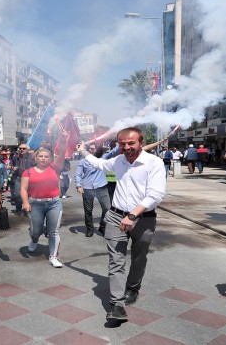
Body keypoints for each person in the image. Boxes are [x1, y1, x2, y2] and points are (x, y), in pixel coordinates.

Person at [77, 127, 166, 321]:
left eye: (131, 143)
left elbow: (156, 194)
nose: (126, 147)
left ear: (141, 143)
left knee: (138, 258)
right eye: (122, 144)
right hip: (116, 217)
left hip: (144, 219)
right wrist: (82, 151)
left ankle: (133, 287)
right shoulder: (118, 160)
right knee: (116, 261)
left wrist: (133, 216)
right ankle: (116, 305)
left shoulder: (154, 163)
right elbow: (99, 164)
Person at [21, 133, 68, 268]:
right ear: (35, 158)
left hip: (54, 203)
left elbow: (63, 152)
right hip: (35, 204)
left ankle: (53, 256)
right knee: (36, 230)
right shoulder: (28, 172)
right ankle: (34, 240)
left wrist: (63, 139)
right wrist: (25, 203)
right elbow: (23, 189)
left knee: (54, 231)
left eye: (46, 157)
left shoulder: (54, 167)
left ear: (50, 159)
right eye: (40, 156)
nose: (43, 158)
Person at [75, 143, 121, 237]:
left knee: (107, 208)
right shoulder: (82, 162)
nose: (92, 150)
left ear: (97, 150)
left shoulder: (102, 158)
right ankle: (89, 229)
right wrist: (79, 186)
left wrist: (119, 142)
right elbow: (78, 175)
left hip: (101, 187)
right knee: (88, 211)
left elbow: (114, 151)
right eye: (90, 149)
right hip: (88, 188)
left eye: (94, 149)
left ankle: (102, 226)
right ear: (87, 150)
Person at [11, 144, 33, 214]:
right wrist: (12, 168)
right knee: (17, 194)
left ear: (27, 150)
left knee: (29, 195)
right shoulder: (15, 157)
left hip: (29, 178)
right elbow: (12, 165)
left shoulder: (32, 157)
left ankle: (28, 209)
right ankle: (18, 208)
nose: (22, 150)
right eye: (20, 148)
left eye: (24, 148)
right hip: (19, 178)